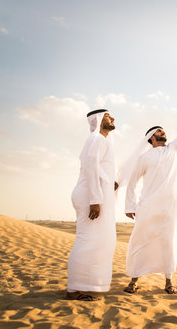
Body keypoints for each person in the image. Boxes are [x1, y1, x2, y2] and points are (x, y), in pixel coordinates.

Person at [121, 97, 177, 294]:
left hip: (170, 208)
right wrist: (130, 207)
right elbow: (132, 183)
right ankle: (134, 281)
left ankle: (169, 282)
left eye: (163, 130)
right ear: (151, 138)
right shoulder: (144, 157)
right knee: (141, 241)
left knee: (169, 242)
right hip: (147, 207)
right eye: (159, 131)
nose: (163, 132)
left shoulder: (173, 150)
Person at [66, 109, 118, 301]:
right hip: (89, 195)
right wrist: (95, 200)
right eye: (107, 116)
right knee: (86, 241)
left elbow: (100, 168)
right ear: (97, 121)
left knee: (95, 240)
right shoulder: (96, 139)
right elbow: (90, 166)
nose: (112, 118)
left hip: (93, 193)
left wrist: (111, 182)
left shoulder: (102, 141)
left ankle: (83, 285)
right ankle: (73, 289)